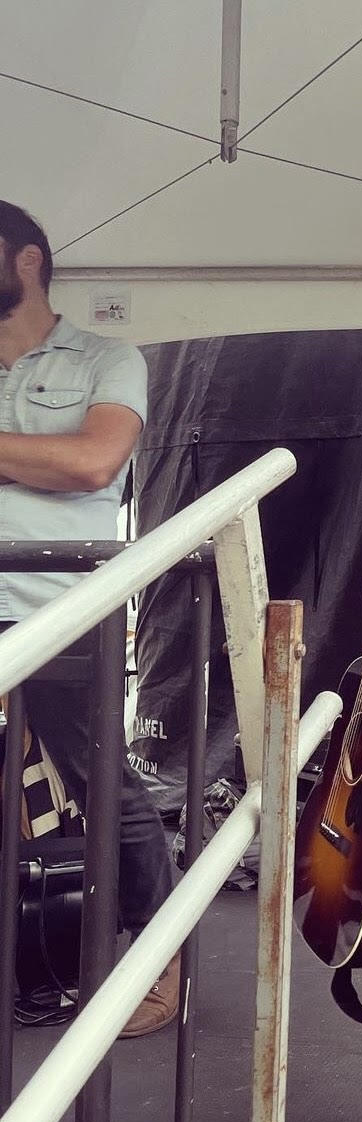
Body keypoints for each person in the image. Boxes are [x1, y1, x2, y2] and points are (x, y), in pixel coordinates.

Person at [0, 200, 177, 1036]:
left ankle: (159, 962)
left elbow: (92, 459)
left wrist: (47, 461)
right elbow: (59, 460)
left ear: (27, 260)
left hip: (63, 610)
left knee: (103, 784)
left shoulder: (109, 358)